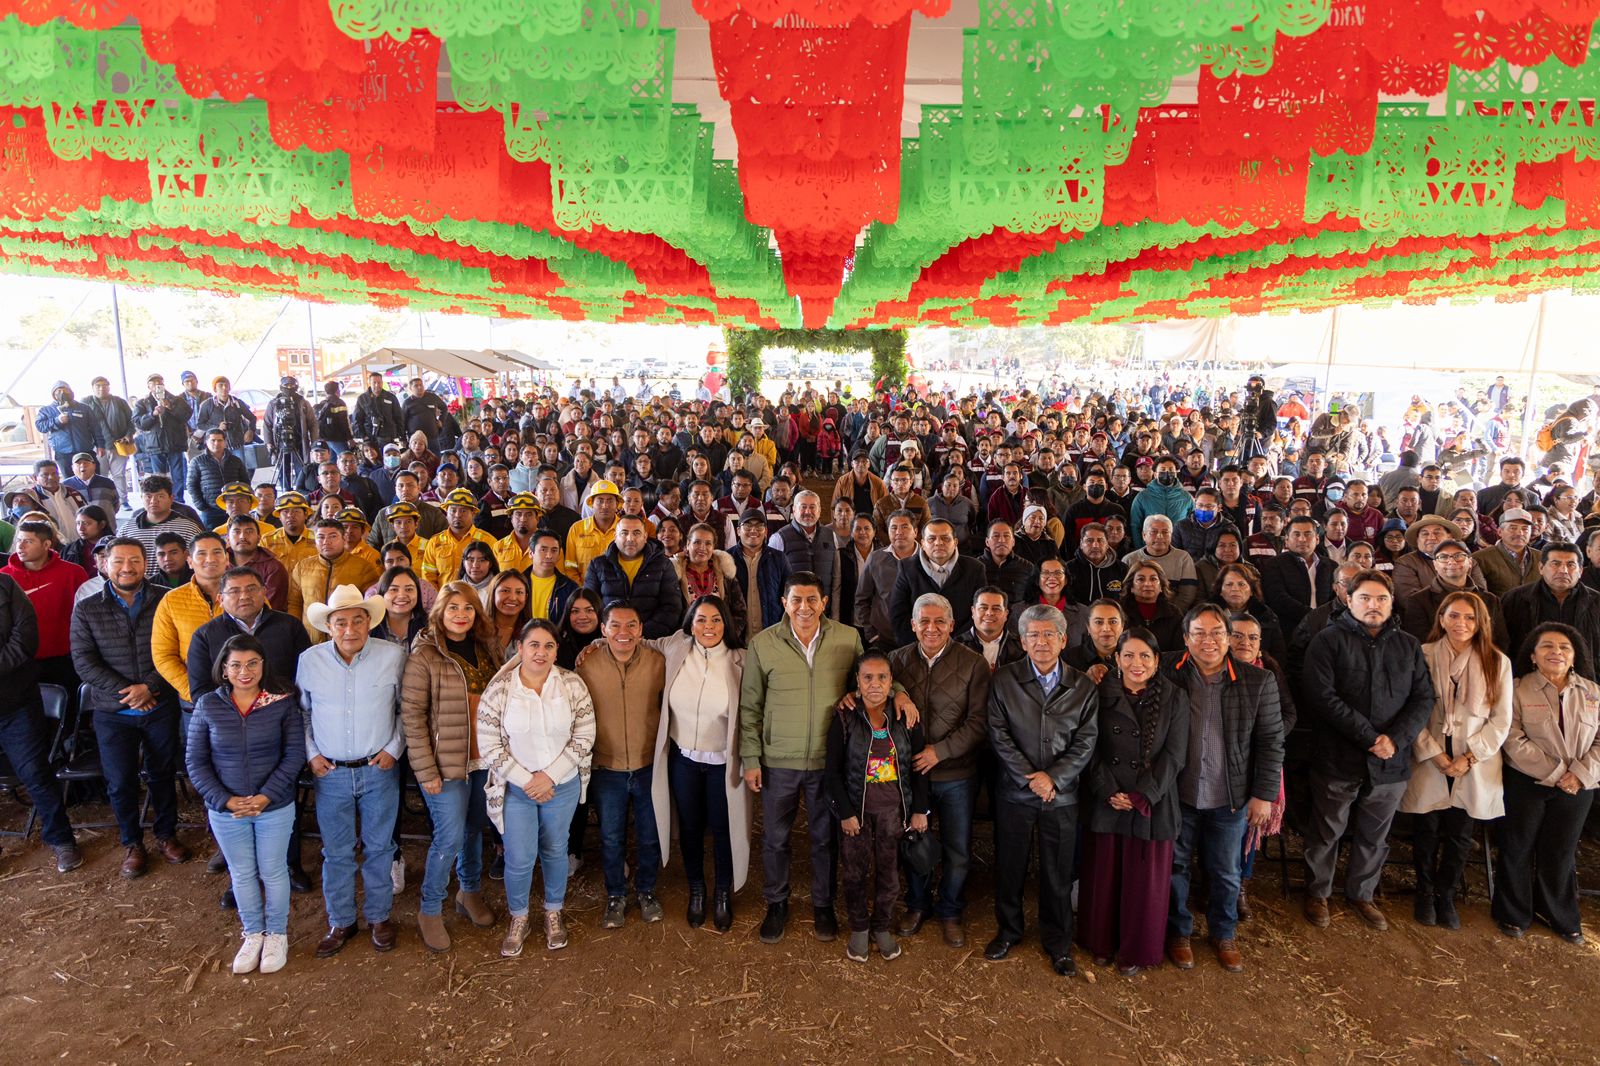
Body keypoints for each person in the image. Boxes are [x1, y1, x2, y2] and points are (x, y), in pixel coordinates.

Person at [1302, 570, 1435, 931]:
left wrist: (1395, 739)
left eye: (1381, 599)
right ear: (1348, 599)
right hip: (1338, 756)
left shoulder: (1408, 645)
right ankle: (1318, 892)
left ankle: (1362, 894)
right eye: (1365, 598)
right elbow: (1321, 696)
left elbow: (1423, 698)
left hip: (1391, 760)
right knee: (1327, 830)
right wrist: (1370, 738)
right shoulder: (1327, 640)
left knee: (1375, 835)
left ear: (1392, 603)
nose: (1373, 605)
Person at [741, 572, 867, 944]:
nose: (804, 607)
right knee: (775, 838)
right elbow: (750, 707)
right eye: (796, 599)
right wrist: (751, 757)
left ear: (824, 602)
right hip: (779, 759)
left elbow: (872, 679)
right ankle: (776, 903)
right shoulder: (763, 644)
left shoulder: (847, 638)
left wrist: (900, 693)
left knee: (824, 838)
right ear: (784, 603)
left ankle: (823, 904)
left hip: (826, 761)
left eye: (812, 599)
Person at [1160, 604, 1284, 973]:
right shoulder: (1166, 669)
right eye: (1199, 633)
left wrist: (1263, 795)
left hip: (1229, 796)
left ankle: (1223, 932)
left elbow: (1272, 742)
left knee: (1226, 871)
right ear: (1186, 639)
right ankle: (1178, 931)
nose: (1208, 640)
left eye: (1217, 632)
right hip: (1178, 794)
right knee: (1175, 867)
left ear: (1229, 638)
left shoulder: (1258, 681)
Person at [984, 604, 1097, 977]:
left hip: (1061, 797)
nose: (1041, 641)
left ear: (1064, 640)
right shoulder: (1005, 680)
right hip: (1015, 793)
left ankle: (1058, 942)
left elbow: (1086, 742)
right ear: (1022, 640)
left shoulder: (1082, 686)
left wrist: (1054, 778)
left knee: (1057, 873)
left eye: (1049, 634)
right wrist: (1030, 777)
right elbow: (998, 734)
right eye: (1033, 634)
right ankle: (1009, 931)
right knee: (1010, 867)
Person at [69, 538, 192, 877]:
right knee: (120, 780)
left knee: (162, 773)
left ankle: (166, 835)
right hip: (113, 711)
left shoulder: (166, 599)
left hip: (159, 705)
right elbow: (83, 661)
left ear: (145, 563)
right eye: (119, 561)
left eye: (135, 560)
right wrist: (129, 692)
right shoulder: (87, 608)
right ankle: (132, 843)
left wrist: (149, 687)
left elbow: (178, 650)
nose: (127, 567)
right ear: (104, 564)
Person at [297, 585, 408, 958]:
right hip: (330, 773)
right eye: (340, 622)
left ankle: (379, 917)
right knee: (337, 852)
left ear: (369, 622)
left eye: (357, 620)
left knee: (380, 848)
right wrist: (312, 754)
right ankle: (341, 920)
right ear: (329, 626)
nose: (349, 629)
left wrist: (394, 749)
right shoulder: (309, 661)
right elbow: (303, 713)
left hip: (378, 769)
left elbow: (405, 709)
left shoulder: (393, 656)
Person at [186, 635, 306, 975]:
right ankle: (253, 933)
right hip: (227, 810)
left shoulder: (282, 703)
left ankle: (277, 934)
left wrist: (266, 796)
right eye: (236, 665)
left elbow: (294, 755)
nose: (245, 671)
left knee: (273, 870)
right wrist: (225, 800)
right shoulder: (208, 705)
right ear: (224, 669)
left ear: (263, 665)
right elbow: (195, 762)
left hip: (274, 806)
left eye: (253, 663)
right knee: (242, 872)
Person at [478, 618, 594, 955]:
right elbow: (489, 746)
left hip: (562, 785)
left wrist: (550, 776)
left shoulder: (572, 684)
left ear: (556, 651)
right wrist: (529, 781)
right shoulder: (500, 690)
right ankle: (519, 916)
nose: (541, 652)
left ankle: (553, 912)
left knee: (556, 849)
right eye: (534, 645)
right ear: (520, 648)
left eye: (548, 646)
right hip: (517, 789)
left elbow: (585, 734)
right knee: (519, 856)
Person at [1398, 590, 1512, 929]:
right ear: (1442, 619)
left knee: (1461, 833)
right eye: (1454, 615)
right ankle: (1424, 891)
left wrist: (1470, 757)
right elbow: (1409, 709)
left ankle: (1445, 894)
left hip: (1473, 760)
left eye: (1469, 617)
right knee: (1427, 829)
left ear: (1481, 623)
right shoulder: (1423, 654)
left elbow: (1501, 720)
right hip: (1430, 754)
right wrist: (1432, 752)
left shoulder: (1497, 661)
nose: (1461, 623)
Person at [402, 583, 505, 952]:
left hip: (483, 759)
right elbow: (412, 717)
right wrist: (426, 770)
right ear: (439, 612)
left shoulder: (487, 648)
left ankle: (469, 892)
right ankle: (430, 910)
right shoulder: (426, 655)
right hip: (445, 764)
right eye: (453, 608)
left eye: (468, 608)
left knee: (474, 828)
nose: (461, 615)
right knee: (449, 837)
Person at [1079, 628, 1188, 976]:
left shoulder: (1175, 696)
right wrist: (1106, 789)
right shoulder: (1098, 692)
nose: (1136, 663)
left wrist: (1144, 795)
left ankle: (1136, 948)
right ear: (1117, 659)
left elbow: (1175, 756)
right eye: (1128, 655)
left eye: (1144, 656)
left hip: (1152, 802)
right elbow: (1088, 746)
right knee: (1105, 876)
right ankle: (1101, 942)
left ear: (1156, 661)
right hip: (1107, 798)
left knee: (1144, 883)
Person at [889, 594, 990, 947]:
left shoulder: (973, 664)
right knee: (915, 842)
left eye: (939, 622)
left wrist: (940, 751)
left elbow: (979, 722)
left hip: (956, 774)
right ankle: (917, 905)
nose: (931, 628)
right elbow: (873, 686)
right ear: (913, 625)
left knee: (957, 847)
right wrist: (897, 691)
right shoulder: (896, 660)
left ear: (951, 625)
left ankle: (950, 909)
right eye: (924, 621)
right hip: (911, 773)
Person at [1493, 622, 1600, 943]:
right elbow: (1512, 738)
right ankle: (1513, 914)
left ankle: (1558, 914)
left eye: (1565, 648)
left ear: (1574, 656)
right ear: (1533, 655)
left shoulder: (1593, 692)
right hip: (1528, 783)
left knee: (1561, 851)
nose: (1557, 652)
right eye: (1547, 646)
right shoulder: (1516, 688)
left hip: (1578, 786)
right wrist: (1556, 774)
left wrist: (1579, 774)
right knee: (1517, 847)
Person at [649, 595, 750, 931]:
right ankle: (696, 889)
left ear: (726, 624)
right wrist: (596, 644)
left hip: (723, 763)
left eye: (716, 620)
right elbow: (634, 642)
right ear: (690, 624)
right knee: (690, 828)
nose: (709, 626)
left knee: (723, 828)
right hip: (684, 761)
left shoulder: (741, 660)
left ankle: (721, 892)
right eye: (701, 619)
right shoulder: (675, 646)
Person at [826, 649, 929, 962]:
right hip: (857, 814)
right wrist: (845, 813)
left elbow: (919, 768)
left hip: (892, 813)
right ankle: (859, 926)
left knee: (889, 874)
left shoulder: (905, 717)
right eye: (867, 677)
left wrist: (918, 809)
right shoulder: (845, 718)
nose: (875, 684)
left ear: (891, 681)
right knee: (854, 872)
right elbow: (832, 772)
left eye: (882, 677)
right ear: (857, 682)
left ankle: (882, 925)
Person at [575, 601, 667, 928]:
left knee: (649, 835)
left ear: (641, 630)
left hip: (648, 765)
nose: (623, 632)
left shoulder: (659, 663)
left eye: (631, 625)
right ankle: (616, 894)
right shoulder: (587, 665)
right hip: (606, 768)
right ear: (603, 630)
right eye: (614, 625)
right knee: (611, 837)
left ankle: (646, 890)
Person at [0, 572, 81, 873]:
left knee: (35, 772)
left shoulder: (6, 586)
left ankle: (61, 839)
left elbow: (25, 639)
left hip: (17, 702)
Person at [1, 521, 88, 692]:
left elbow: (85, 617)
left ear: (46, 544)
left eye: (28, 541)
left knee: (67, 704)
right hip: (18, 661)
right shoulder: (4, 576)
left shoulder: (73, 573)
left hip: (64, 658)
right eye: (19, 540)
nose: (20, 546)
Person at [1500, 543, 1600, 671]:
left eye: (1570, 565)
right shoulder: (1514, 599)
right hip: (1527, 676)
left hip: (1584, 678)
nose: (1563, 571)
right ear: (1541, 568)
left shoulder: (1596, 602)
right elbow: (1501, 645)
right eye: (1555, 564)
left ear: (1580, 571)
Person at [890, 518, 987, 647]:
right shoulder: (907, 568)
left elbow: (979, 612)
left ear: (955, 542)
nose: (938, 543)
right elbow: (898, 614)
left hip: (963, 646)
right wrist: (924, 644)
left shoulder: (975, 568)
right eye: (931, 539)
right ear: (923, 543)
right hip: (918, 645)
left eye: (945, 538)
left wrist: (956, 645)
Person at [767, 490, 842, 620]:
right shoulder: (779, 538)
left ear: (819, 510)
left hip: (824, 613)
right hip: (793, 614)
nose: (808, 512)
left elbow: (836, 579)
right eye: (803, 507)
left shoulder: (831, 536)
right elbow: (772, 583)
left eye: (812, 507)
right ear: (794, 510)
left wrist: (835, 615)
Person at [1260, 515, 1334, 637]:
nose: (1302, 539)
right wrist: (1313, 616)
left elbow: (1335, 598)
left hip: (1327, 629)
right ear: (1286, 540)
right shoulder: (1274, 565)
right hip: (1289, 631)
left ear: (1317, 539)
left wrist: (1324, 619)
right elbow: (1277, 598)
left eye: (1308, 534)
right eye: (1296, 534)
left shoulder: (1331, 566)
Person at [116, 475, 203, 577]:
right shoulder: (127, 529)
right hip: (138, 584)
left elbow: (200, 560)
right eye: (148, 496)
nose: (153, 501)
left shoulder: (188, 528)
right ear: (141, 498)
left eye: (160, 496)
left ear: (171, 498)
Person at [732, 509, 790, 638]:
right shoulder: (727, 559)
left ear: (766, 532)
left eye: (759, 526)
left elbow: (788, 596)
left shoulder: (778, 559)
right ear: (738, 531)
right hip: (736, 637)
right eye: (747, 526)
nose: (753, 530)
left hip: (771, 635)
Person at [133, 374, 192, 499]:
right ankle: (161, 500)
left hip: (175, 443)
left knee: (178, 475)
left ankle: (178, 500)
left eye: (159, 382)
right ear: (148, 386)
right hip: (155, 445)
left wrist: (171, 407)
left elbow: (186, 415)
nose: (157, 385)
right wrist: (152, 414)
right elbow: (138, 423)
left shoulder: (176, 399)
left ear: (164, 385)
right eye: (153, 383)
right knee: (159, 477)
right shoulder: (142, 403)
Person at [1472, 507, 1541, 598]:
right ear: (1500, 531)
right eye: (1513, 528)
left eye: (1525, 529)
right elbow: (1479, 596)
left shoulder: (1541, 557)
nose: (1520, 533)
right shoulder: (1480, 558)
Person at [188, 430, 248, 529]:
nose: (216, 443)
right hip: (211, 510)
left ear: (225, 442)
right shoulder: (197, 462)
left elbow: (245, 482)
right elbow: (191, 485)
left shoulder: (235, 461)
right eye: (213, 440)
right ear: (206, 442)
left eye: (220, 440)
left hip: (234, 508)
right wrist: (201, 506)